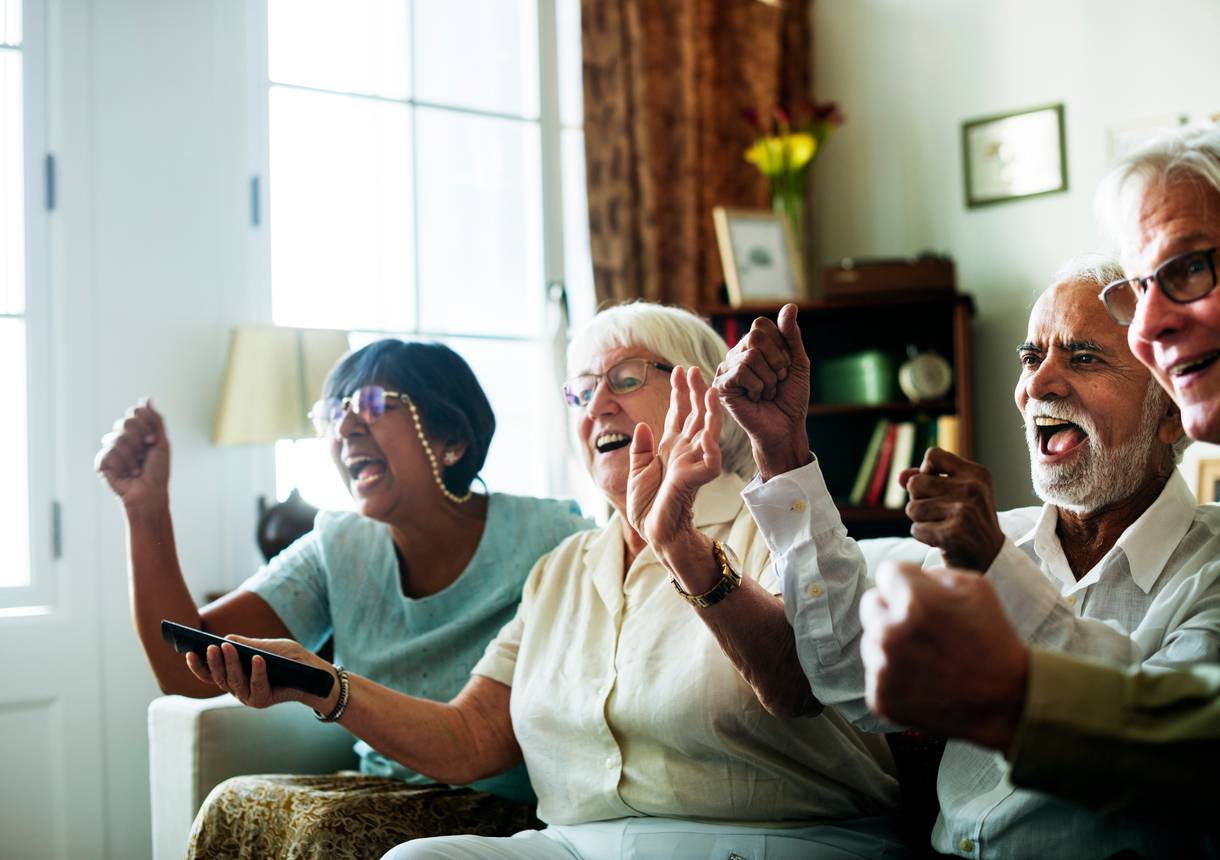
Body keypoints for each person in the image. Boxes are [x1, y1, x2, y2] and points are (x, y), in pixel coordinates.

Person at [183, 303, 905, 860]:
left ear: (706, 399)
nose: (598, 406)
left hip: (777, 841)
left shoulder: (781, 526)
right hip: (577, 846)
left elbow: (792, 681)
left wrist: (678, 541)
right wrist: (324, 684)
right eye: (582, 392)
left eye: (626, 378)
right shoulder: (561, 570)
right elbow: (470, 738)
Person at [705, 258, 1220, 857]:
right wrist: (782, 445)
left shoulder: (1208, 569)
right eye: (1031, 359)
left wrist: (995, 564)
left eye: (1083, 358)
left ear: (1171, 412)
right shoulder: (991, 538)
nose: (1038, 386)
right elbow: (853, 674)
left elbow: (1156, 752)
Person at [95, 339, 593, 859]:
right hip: (386, 791)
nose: (346, 427)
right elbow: (182, 672)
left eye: (375, 404)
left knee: (328, 826)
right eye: (335, 412)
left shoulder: (551, 538)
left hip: (505, 808)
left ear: (452, 440)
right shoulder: (339, 544)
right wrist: (145, 509)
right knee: (232, 801)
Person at [859, 123, 1220, 819]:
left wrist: (1008, 687)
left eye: (1187, 269)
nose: (1150, 325)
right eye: (1143, 287)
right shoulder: (992, 538)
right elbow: (839, 681)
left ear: (1167, 416)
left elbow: (1187, 754)